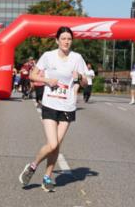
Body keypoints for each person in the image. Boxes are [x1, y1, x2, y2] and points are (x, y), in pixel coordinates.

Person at [18, 26, 89, 192]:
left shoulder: (77, 58)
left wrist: (79, 77)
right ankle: (32, 166)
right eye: (63, 38)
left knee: (57, 145)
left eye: (69, 39)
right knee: (52, 143)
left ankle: (47, 177)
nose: (66, 42)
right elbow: (32, 75)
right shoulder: (48, 56)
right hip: (50, 104)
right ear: (57, 40)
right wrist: (47, 80)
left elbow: (85, 82)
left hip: (68, 106)